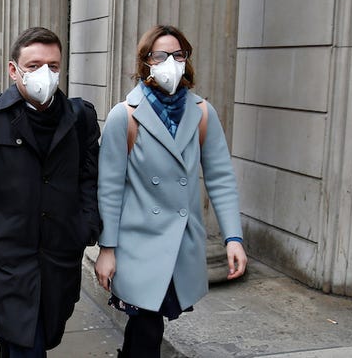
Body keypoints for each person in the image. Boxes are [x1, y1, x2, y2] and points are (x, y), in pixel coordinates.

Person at [94, 24, 247, 357]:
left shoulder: (203, 112)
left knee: (147, 326)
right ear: (146, 62)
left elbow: (220, 178)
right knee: (147, 326)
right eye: (160, 55)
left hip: (179, 244)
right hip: (138, 243)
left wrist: (233, 238)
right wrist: (107, 248)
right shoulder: (126, 115)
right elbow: (109, 188)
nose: (170, 62)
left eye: (178, 55)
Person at [0, 27, 101, 356]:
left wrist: (86, 226)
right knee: (27, 344)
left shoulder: (80, 118)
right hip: (9, 257)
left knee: (40, 336)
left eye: (53, 65)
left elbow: (89, 178)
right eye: (33, 66)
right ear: (13, 70)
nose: (44, 73)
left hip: (60, 254)